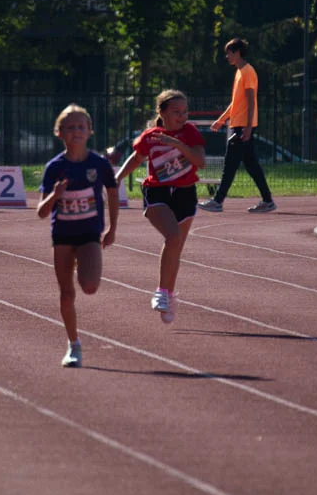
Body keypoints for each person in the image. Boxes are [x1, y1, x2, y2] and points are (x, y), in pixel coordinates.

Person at [114, 89, 206, 325]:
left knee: (176, 246)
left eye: (184, 111)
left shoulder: (190, 133)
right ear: (162, 113)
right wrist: (118, 177)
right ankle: (161, 292)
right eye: (176, 112)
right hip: (158, 192)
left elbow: (200, 162)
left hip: (185, 193)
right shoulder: (150, 136)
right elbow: (136, 159)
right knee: (172, 237)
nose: (181, 116)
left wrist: (177, 144)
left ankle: (169, 294)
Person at [37, 104, 119, 367]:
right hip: (62, 235)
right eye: (70, 127)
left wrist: (112, 228)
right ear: (59, 133)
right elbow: (41, 212)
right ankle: (73, 345)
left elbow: (113, 192)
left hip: (89, 234)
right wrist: (55, 195)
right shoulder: (54, 167)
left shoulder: (99, 164)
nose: (76, 131)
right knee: (66, 294)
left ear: (90, 131)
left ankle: (83, 263)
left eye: (81, 127)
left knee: (90, 286)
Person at [199, 37, 276, 214]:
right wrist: (222, 119)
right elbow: (236, 102)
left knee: (230, 164)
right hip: (239, 124)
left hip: (243, 126)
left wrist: (248, 127)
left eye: (229, 53)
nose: (227, 56)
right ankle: (267, 200)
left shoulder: (248, 71)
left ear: (238, 53)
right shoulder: (239, 72)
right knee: (252, 165)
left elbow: (251, 101)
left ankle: (217, 201)